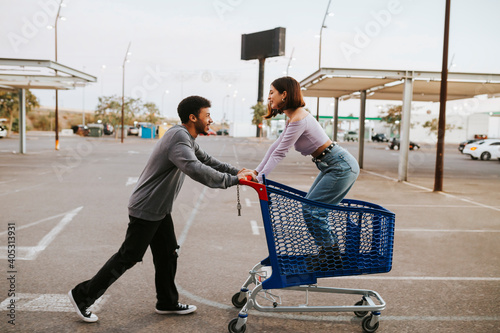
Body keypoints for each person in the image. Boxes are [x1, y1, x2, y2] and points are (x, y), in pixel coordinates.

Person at [68, 95, 255, 323]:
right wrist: (232, 180)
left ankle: (166, 302)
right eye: (207, 116)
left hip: (159, 210)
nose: (210, 120)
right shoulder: (178, 138)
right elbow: (194, 168)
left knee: (168, 254)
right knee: (129, 256)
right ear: (192, 117)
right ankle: (82, 295)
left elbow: (208, 160)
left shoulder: (187, 138)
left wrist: (237, 172)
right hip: (147, 208)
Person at [253, 76, 360, 268]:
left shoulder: (299, 118)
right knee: (312, 209)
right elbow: (275, 147)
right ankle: (330, 254)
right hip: (331, 164)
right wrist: (257, 172)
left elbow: (280, 152)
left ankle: (331, 257)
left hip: (340, 166)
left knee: (312, 211)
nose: (269, 97)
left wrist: (260, 178)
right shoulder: (294, 118)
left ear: (284, 94)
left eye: (271, 92)